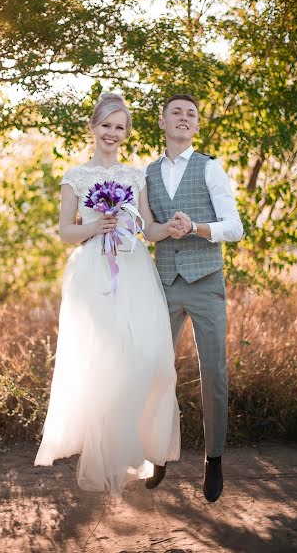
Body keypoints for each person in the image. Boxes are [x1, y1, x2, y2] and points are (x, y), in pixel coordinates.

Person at [35, 92, 185, 494]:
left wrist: (167, 228)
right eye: (106, 125)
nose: (112, 134)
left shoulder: (136, 177)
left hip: (134, 271)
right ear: (93, 127)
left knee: (150, 359)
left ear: (127, 133)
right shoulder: (76, 177)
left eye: (120, 127)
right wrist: (94, 226)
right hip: (93, 274)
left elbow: (147, 229)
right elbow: (66, 232)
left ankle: (142, 446)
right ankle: (106, 456)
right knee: (104, 363)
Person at [145, 93, 244, 502]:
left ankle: (214, 458)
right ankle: (160, 453)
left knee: (214, 374)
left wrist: (197, 227)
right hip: (164, 282)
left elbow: (234, 228)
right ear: (163, 123)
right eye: (176, 113)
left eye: (191, 114)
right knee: (154, 372)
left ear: (197, 126)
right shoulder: (146, 174)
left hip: (205, 282)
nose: (184, 119)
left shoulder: (210, 168)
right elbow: (144, 228)